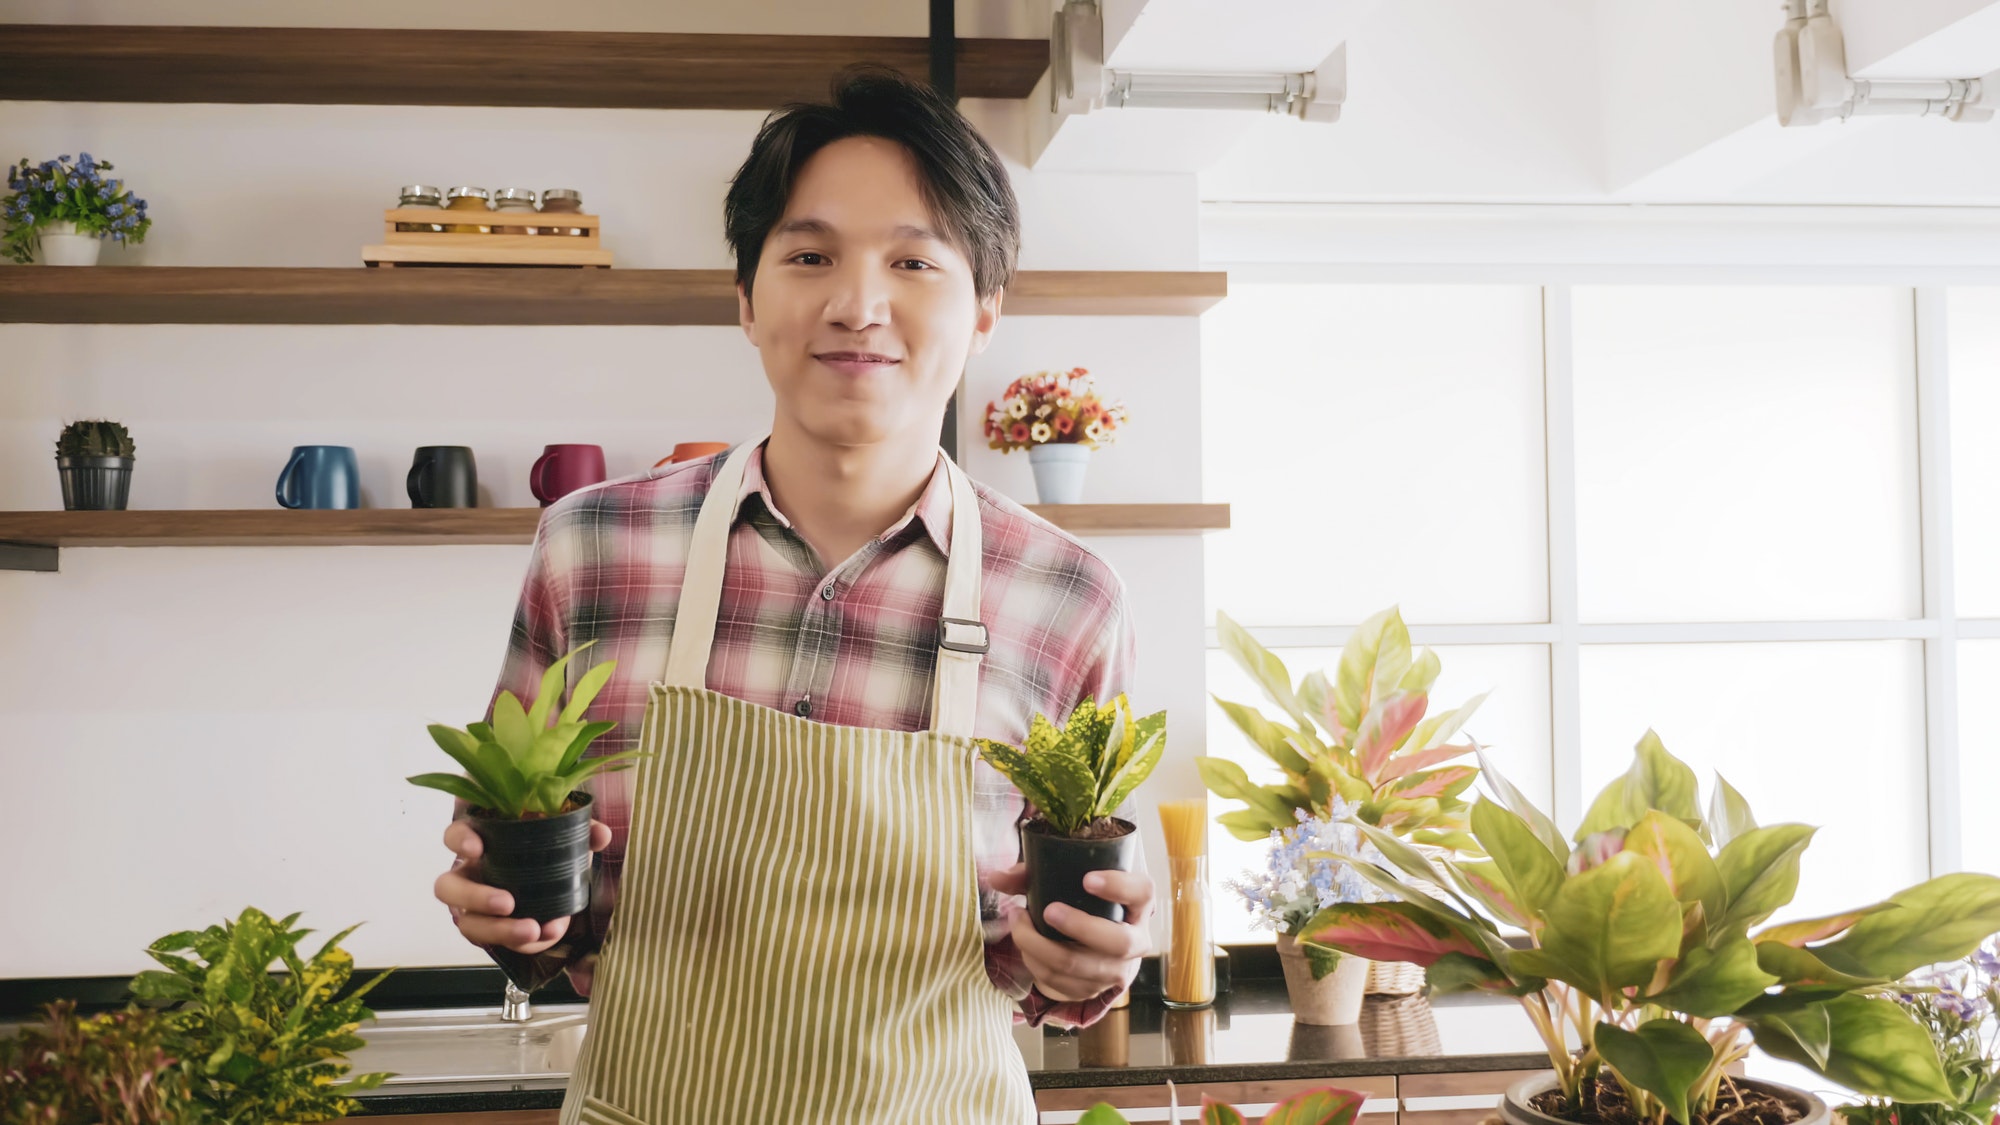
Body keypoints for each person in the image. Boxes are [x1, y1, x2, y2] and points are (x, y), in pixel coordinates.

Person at [430, 66, 1153, 1123]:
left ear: (985, 312)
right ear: (745, 297)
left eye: (913, 261)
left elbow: (1069, 952)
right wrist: (505, 914)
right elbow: (524, 877)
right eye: (809, 256)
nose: (857, 306)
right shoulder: (590, 549)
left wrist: (1088, 964)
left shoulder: (1067, 596)